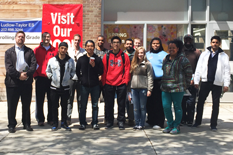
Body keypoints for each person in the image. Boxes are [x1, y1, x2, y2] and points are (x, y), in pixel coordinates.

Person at [193, 36, 230, 131]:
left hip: (217, 83)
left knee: (216, 104)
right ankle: (197, 121)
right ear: (210, 43)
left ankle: (213, 124)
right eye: (213, 42)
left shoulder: (224, 56)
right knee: (200, 102)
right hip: (205, 81)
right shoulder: (204, 54)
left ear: (219, 43)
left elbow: (227, 71)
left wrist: (226, 84)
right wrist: (196, 80)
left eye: (217, 42)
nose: (215, 44)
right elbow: (198, 68)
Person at [5, 31, 37, 133]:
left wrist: (26, 74)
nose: (21, 38)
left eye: (22, 37)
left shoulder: (29, 51)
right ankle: (11, 124)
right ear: (15, 38)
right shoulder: (9, 52)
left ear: (24, 39)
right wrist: (19, 75)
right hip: (12, 83)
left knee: (26, 104)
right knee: (12, 105)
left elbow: (33, 65)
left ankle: (26, 123)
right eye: (19, 37)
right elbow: (9, 68)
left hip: (26, 82)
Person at [161, 39, 192, 134]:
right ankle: (170, 125)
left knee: (177, 107)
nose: (171, 49)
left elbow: (189, 74)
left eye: (173, 48)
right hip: (165, 87)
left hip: (178, 88)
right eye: (169, 48)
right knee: (166, 106)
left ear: (178, 48)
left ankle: (176, 126)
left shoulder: (183, 60)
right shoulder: (166, 58)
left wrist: (185, 85)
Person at [102, 36, 131, 130]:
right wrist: (104, 82)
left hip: (121, 83)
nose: (116, 44)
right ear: (111, 44)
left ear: (120, 44)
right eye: (114, 42)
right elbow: (104, 70)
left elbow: (127, 69)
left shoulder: (124, 55)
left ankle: (121, 121)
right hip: (109, 83)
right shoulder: (106, 56)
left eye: (118, 42)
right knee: (109, 104)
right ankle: (110, 121)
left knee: (121, 104)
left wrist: (126, 81)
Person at [46, 42, 75, 131]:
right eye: (61, 48)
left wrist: (70, 78)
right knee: (54, 106)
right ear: (58, 49)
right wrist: (51, 77)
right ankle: (55, 123)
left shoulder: (70, 61)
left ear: (67, 50)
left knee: (65, 106)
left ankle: (64, 123)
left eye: (65, 49)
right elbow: (48, 71)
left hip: (65, 87)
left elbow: (73, 72)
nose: (63, 50)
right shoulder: (52, 60)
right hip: (54, 87)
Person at [77, 40, 103, 130]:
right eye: (88, 46)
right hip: (84, 86)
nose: (90, 48)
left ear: (94, 48)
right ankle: (83, 123)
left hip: (95, 85)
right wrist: (81, 80)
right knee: (83, 105)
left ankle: (95, 122)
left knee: (95, 105)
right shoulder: (81, 59)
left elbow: (101, 71)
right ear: (85, 47)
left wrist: (94, 66)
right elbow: (77, 71)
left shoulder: (98, 59)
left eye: (91, 46)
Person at [34, 32, 57, 126]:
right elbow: (33, 63)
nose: (46, 38)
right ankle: (40, 119)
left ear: (50, 38)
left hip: (51, 79)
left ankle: (50, 118)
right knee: (40, 100)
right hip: (40, 78)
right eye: (44, 36)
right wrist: (35, 75)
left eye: (48, 36)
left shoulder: (55, 50)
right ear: (42, 38)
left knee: (51, 99)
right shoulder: (36, 50)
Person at [146, 37, 167, 129]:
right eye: (153, 43)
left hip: (160, 81)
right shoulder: (147, 54)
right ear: (151, 45)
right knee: (149, 102)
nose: (155, 45)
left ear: (160, 44)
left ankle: (159, 122)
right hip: (149, 81)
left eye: (157, 43)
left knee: (159, 102)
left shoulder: (164, 55)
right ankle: (150, 120)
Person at [130, 46, 153, 130]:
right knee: (135, 107)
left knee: (142, 107)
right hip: (134, 88)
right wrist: (129, 88)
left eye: (142, 53)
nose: (140, 54)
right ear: (136, 54)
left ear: (144, 54)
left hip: (143, 88)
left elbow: (150, 77)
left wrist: (149, 89)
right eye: (138, 53)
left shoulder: (147, 64)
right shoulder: (133, 64)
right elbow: (130, 76)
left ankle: (142, 123)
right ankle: (137, 123)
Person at [181, 34, 201, 126]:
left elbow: (199, 67)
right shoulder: (180, 51)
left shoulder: (197, 52)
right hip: (181, 80)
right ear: (184, 40)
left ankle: (189, 119)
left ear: (192, 41)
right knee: (182, 101)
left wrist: (195, 79)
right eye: (186, 39)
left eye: (190, 39)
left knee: (191, 102)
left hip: (192, 81)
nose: (188, 41)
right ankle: (182, 119)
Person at [67, 34, 86, 125]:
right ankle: (68, 117)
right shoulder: (68, 51)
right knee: (69, 99)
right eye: (75, 40)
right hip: (70, 78)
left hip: (80, 79)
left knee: (80, 99)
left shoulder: (83, 52)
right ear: (72, 40)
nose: (77, 42)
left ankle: (81, 118)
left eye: (78, 40)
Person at [94, 35, 109, 123]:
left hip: (105, 80)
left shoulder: (107, 52)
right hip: (95, 81)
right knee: (95, 101)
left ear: (104, 41)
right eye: (99, 40)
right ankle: (95, 119)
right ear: (97, 41)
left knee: (107, 101)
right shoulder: (94, 52)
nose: (100, 42)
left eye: (102, 40)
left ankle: (106, 118)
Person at [123, 38, 135, 126]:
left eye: (130, 44)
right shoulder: (122, 54)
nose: (129, 45)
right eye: (127, 44)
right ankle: (122, 118)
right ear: (125, 45)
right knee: (122, 101)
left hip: (133, 80)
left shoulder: (136, 54)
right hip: (123, 80)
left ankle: (131, 119)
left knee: (131, 101)